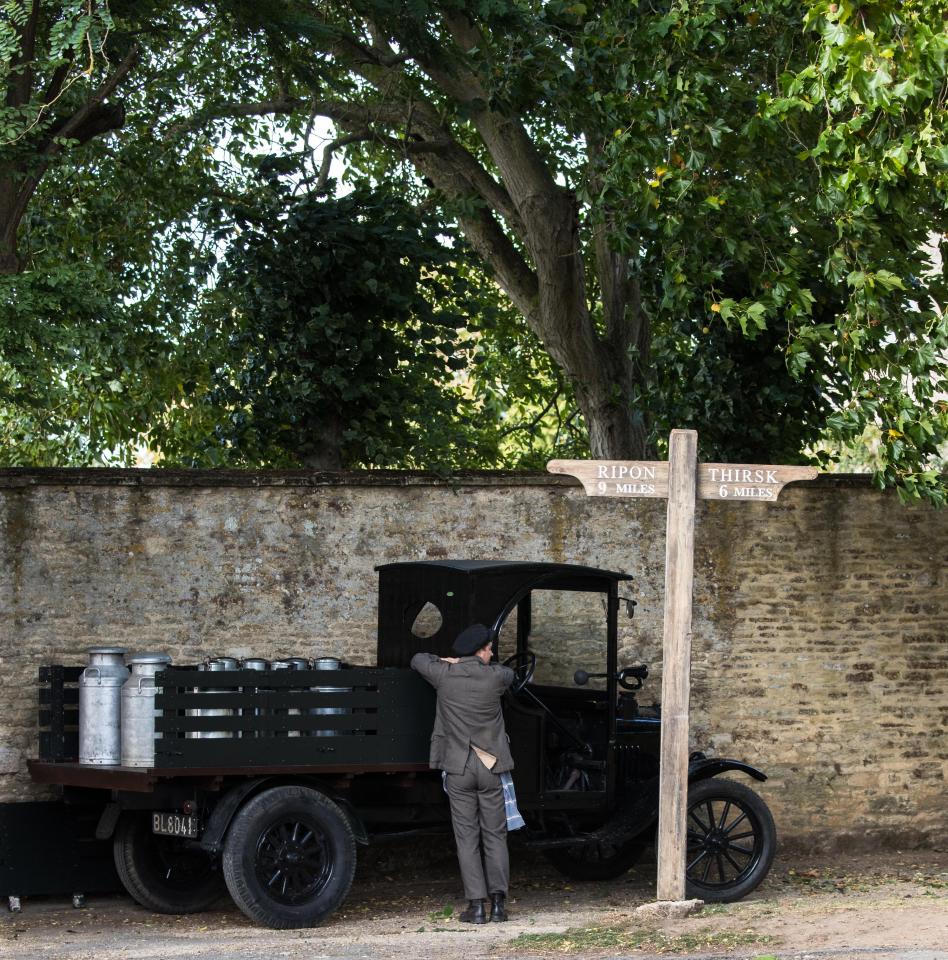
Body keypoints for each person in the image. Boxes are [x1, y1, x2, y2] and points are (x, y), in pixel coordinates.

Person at [411, 623, 516, 924]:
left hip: (458, 766)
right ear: (481, 651)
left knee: (466, 837)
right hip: (490, 766)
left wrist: (452, 661)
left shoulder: (443, 675)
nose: (492, 652)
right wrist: (474, 663)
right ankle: (498, 905)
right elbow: (511, 674)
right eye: (489, 648)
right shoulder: (496, 677)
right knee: (495, 835)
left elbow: (418, 658)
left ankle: (476, 907)